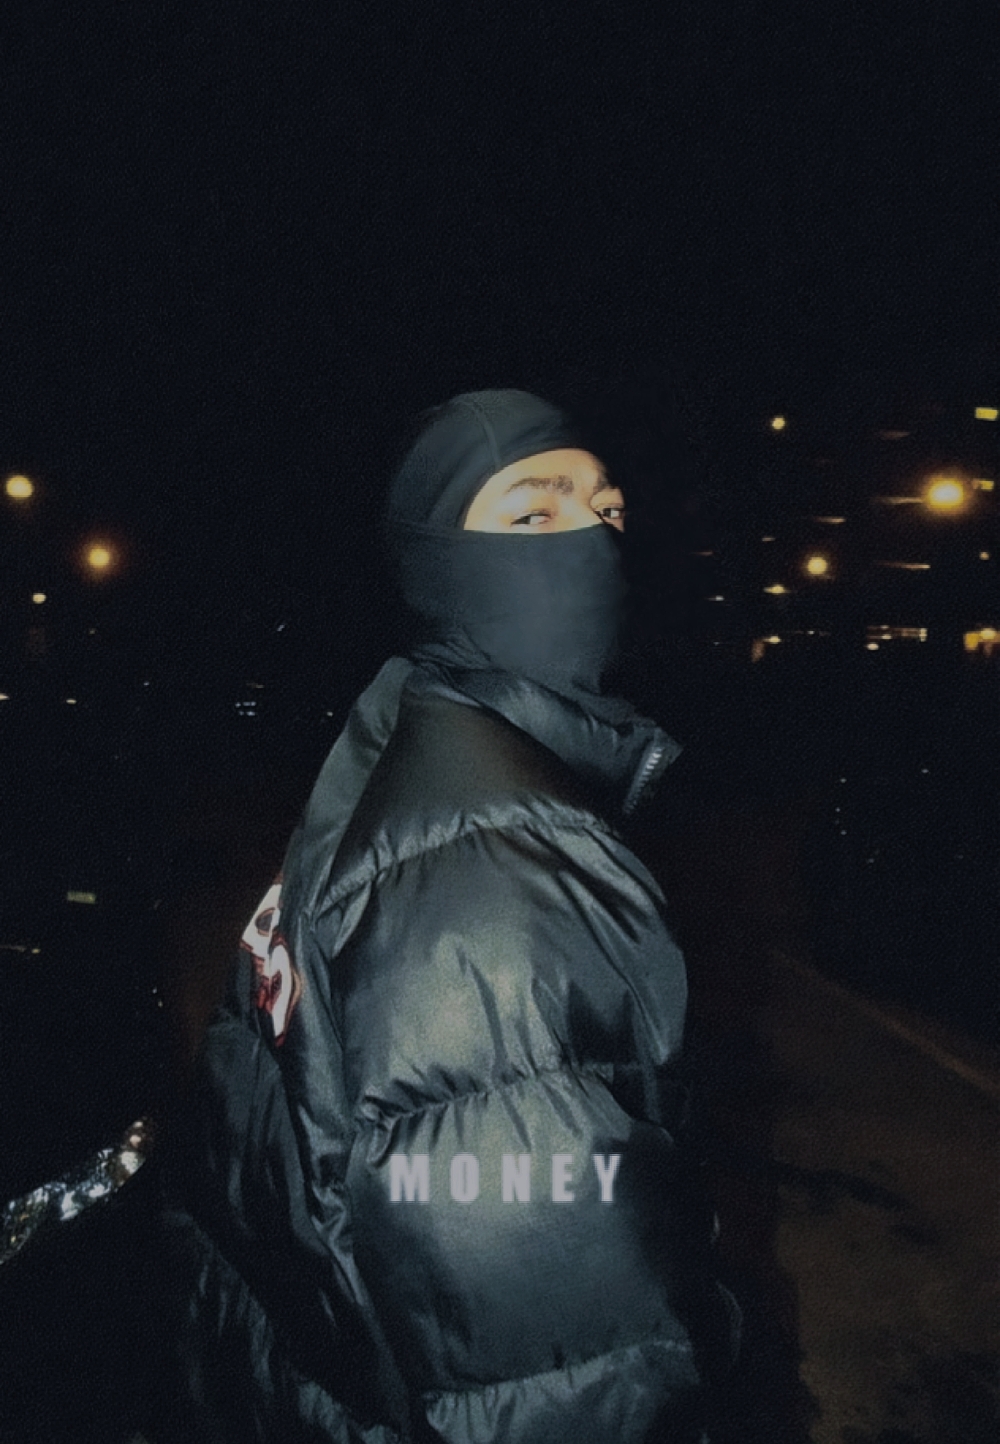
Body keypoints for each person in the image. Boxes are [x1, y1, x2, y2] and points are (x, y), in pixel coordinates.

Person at [155, 388, 739, 1443]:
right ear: (436, 563)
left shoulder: (404, 742)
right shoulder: (510, 854)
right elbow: (558, 1364)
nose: (593, 540)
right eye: (533, 512)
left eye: (606, 509)